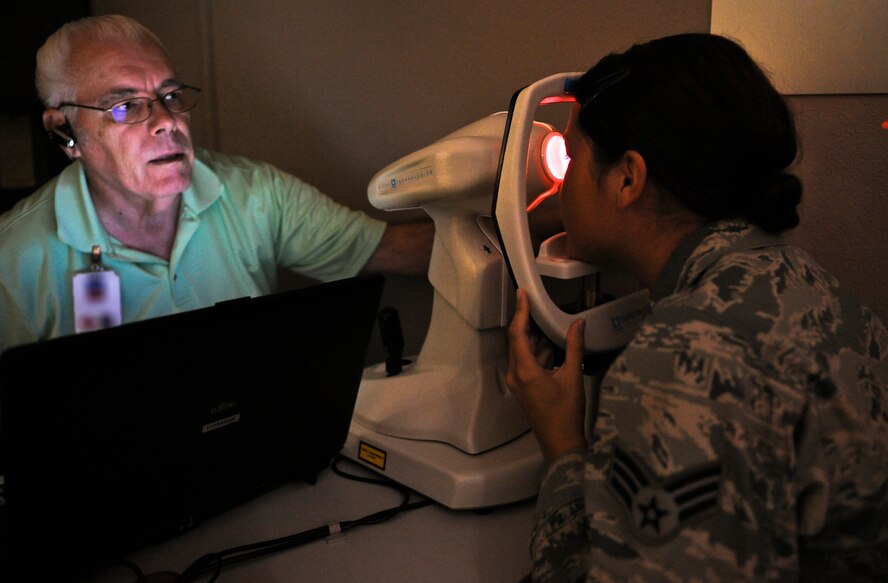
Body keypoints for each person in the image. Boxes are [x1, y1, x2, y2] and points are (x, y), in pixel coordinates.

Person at [506, 33, 887, 581]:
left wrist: (564, 450)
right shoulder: (801, 280)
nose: (561, 188)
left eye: (573, 158)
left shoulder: (682, 363)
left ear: (627, 178)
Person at [0, 14, 433, 354]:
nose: (167, 122)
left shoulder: (256, 194)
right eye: (126, 106)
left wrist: (500, 227)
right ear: (63, 131)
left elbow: (394, 249)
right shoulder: (14, 257)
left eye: (170, 97)